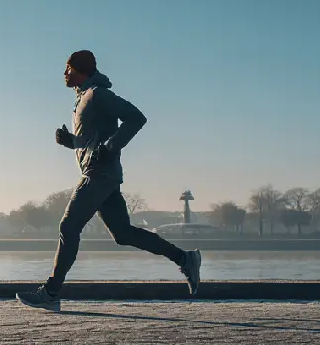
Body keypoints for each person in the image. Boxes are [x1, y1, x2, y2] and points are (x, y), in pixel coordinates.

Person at [16, 50, 201, 312]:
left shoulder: (98, 94)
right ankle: (185, 258)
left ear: (81, 70)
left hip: (98, 175)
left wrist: (111, 147)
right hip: (104, 175)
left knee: (68, 226)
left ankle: (51, 292)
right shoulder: (83, 98)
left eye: (67, 68)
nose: (64, 73)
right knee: (123, 233)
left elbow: (136, 117)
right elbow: (93, 140)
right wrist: (72, 142)